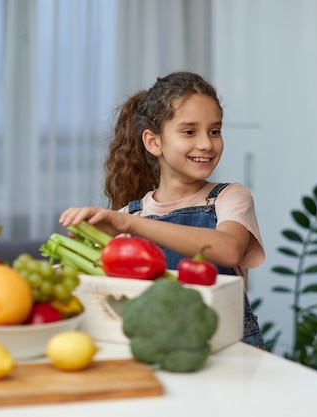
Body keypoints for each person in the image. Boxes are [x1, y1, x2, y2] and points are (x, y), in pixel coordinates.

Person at [59, 71, 265, 348]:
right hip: (161, 347)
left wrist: (130, 225)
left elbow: (228, 250)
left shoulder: (228, 197)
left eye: (214, 131)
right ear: (153, 142)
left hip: (229, 347)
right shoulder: (130, 215)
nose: (206, 143)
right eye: (189, 131)